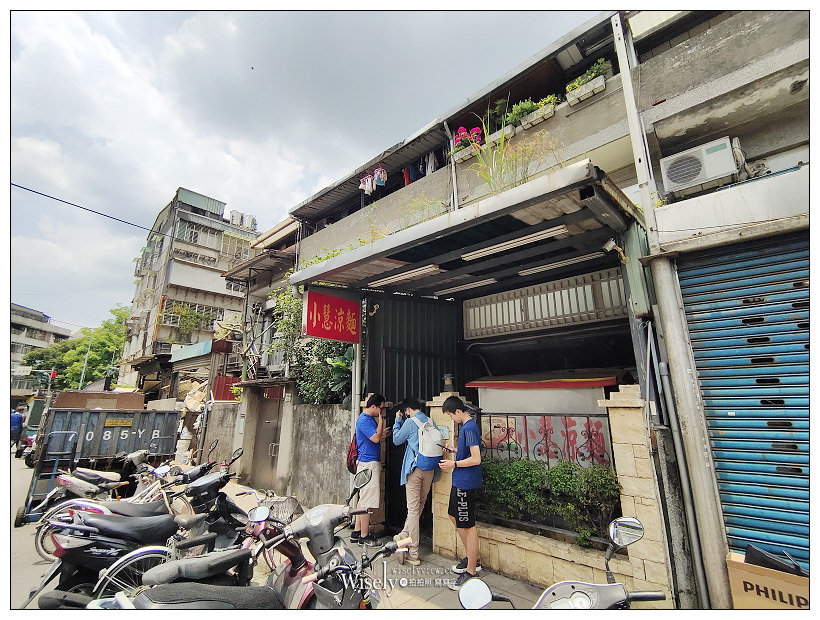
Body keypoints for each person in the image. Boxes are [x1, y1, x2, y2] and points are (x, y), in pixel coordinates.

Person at [438, 395, 483, 590]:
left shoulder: (470, 427)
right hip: (460, 481)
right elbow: (468, 453)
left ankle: (472, 570)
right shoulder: (465, 428)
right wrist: (455, 450)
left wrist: (453, 463)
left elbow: (476, 459)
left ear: (458, 411)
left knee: (468, 525)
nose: (451, 420)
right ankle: (473, 558)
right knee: (453, 516)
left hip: (465, 482)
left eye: (450, 415)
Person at [391, 396, 440, 566]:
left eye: (405, 413)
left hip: (414, 469)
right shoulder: (429, 421)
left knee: (412, 509)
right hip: (430, 468)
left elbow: (396, 439)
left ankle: (413, 552)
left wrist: (397, 421)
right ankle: (403, 535)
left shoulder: (410, 422)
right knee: (419, 505)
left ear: (407, 410)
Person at [351, 393, 388, 547]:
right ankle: (364, 537)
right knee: (367, 502)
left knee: (362, 500)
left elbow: (375, 436)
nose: (382, 412)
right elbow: (374, 438)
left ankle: (357, 532)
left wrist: (381, 431)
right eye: (381, 409)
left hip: (366, 463)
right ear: (374, 407)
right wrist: (381, 421)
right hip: (368, 464)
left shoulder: (366, 420)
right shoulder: (365, 421)